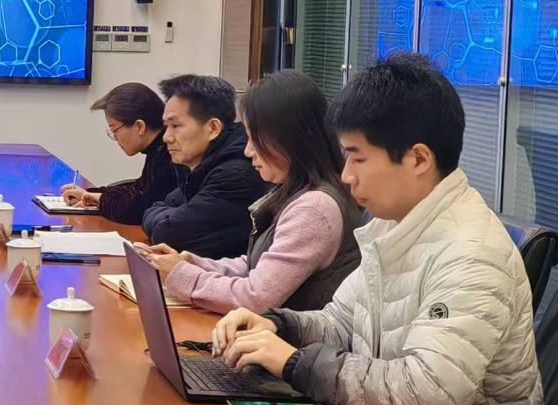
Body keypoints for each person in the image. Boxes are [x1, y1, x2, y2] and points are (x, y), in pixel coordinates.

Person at [210, 53, 546, 405]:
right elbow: (340, 323)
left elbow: (428, 394)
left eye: (358, 158)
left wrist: (294, 363)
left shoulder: (471, 253)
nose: (346, 175)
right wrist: (279, 325)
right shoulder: (395, 223)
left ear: (418, 159)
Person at [139, 70, 363, 312]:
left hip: (284, 335)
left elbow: (256, 296)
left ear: (287, 138)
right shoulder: (292, 190)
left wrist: (181, 275)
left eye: (254, 139)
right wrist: (191, 263)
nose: (248, 151)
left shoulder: (314, 208)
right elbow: (255, 264)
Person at [140, 74, 269, 257]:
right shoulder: (201, 166)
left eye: (175, 126)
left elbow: (167, 233)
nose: (166, 137)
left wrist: (167, 217)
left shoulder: (235, 175)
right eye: (166, 126)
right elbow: (154, 208)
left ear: (213, 128)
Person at [59, 82, 174, 224]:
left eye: (114, 130)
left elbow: (139, 210)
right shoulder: (156, 150)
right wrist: (90, 194)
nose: (115, 138)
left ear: (139, 126)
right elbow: (139, 189)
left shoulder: (172, 154)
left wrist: (99, 199)